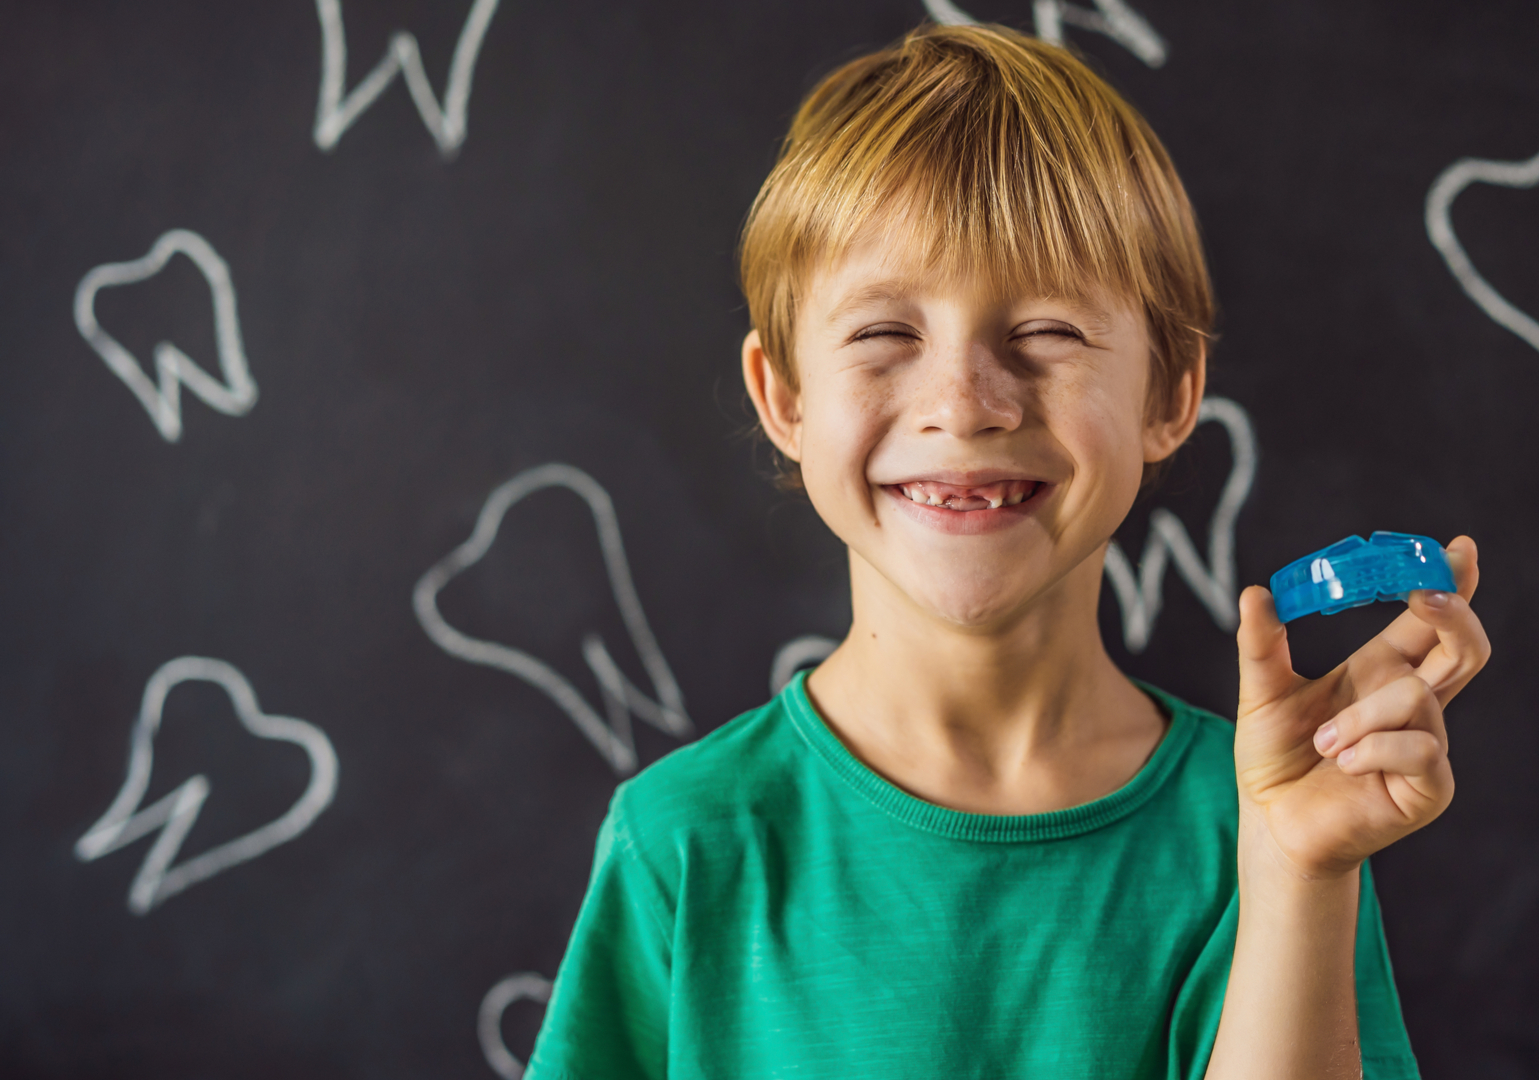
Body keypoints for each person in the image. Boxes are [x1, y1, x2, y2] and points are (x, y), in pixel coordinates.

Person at [526, 22, 1488, 1080]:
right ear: (785, 396)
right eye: (884, 334)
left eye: (1048, 333)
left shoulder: (1270, 823)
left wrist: (1299, 875)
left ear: (1170, 396)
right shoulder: (685, 844)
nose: (965, 404)